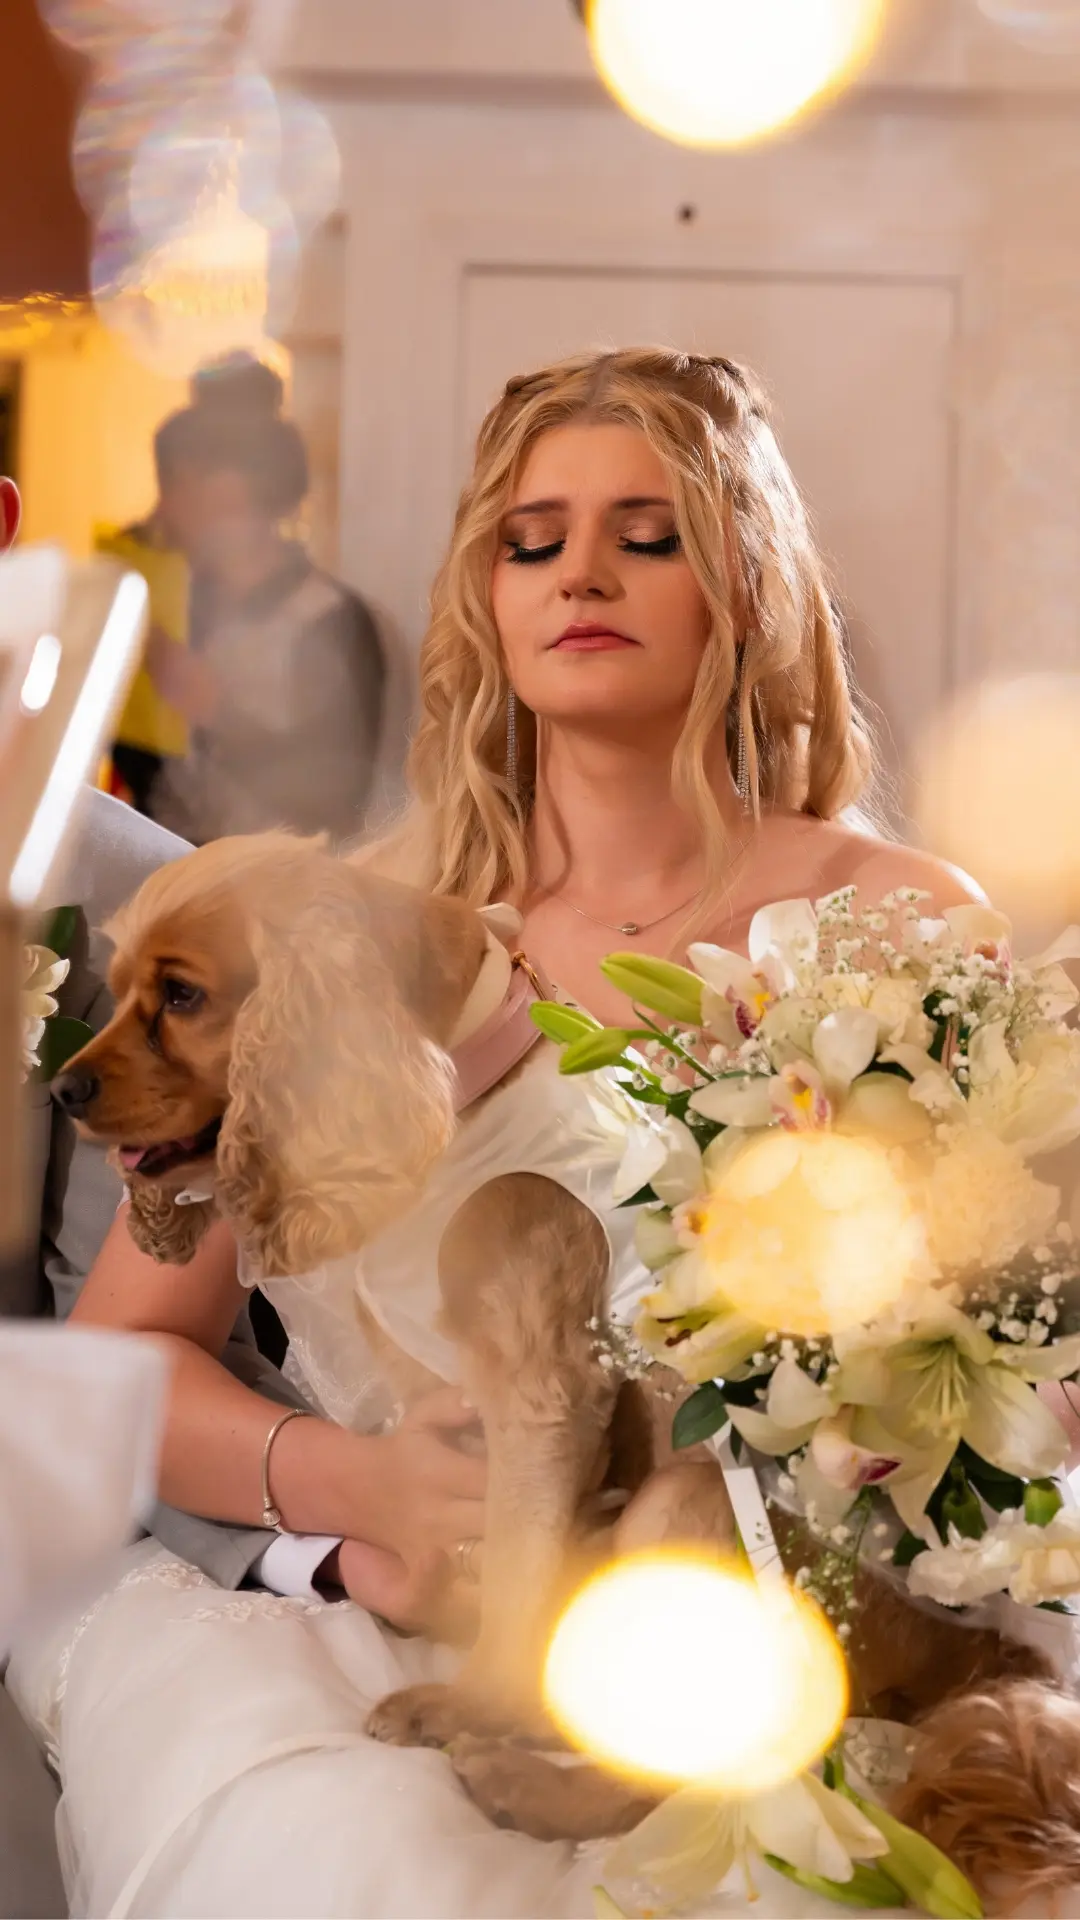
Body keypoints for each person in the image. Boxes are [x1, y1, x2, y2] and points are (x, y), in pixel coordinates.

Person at [8, 351, 999, 1918]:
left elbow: (1003, 1343)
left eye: (647, 536)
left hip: (790, 1622)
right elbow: (113, 1365)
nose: (580, 575)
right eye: (533, 541)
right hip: (429, 1627)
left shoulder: (902, 924)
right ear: (485, 593)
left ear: (749, 584)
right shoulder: (345, 930)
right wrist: (353, 1482)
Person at [148, 354, 386, 846]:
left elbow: (335, 801)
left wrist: (217, 710)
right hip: (166, 875)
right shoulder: (182, 610)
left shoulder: (330, 619)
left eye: (179, 484)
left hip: (278, 886)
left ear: (234, 491)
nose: (164, 509)